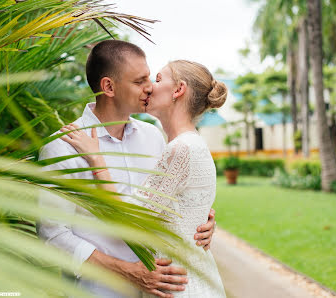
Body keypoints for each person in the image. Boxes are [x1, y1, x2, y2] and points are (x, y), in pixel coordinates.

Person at [36, 40, 217, 298]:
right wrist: (127, 271)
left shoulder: (154, 138)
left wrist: (199, 222)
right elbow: (52, 235)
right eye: (139, 81)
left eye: (151, 78)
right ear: (108, 86)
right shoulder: (62, 147)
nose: (149, 88)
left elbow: (163, 202)